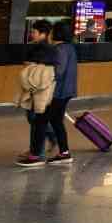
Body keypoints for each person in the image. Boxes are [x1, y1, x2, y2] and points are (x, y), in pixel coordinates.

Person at [15, 21, 58, 166]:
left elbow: (36, 69)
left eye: (34, 32)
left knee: (37, 119)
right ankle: (38, 147)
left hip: (40, 91)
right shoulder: (40, 48)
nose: (32, 34)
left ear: (43, 34)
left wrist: (31, 67)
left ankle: (37, 152)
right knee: (34, 119)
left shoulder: (47, 49)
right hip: (36, 90)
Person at [41, 22, 77, 164]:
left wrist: (45, 74)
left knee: (48, 119)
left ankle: (60, 151)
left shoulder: (59, 49)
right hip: (67, 90)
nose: (49, 35)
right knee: (56, 120)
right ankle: (63, 151)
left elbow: (59, 71)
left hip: (59, 91)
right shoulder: (69, 48)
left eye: (51, 32)